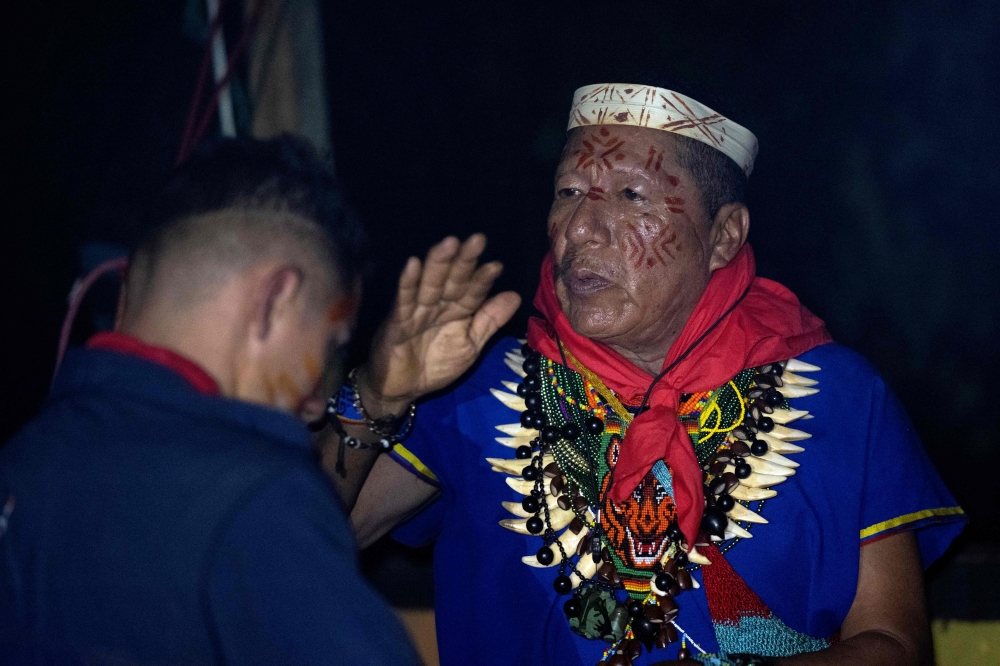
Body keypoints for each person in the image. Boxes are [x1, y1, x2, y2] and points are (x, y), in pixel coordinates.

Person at [341, 84, 966, 666]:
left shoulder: (840, 396)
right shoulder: (476, 387)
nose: (582, 228)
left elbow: (892, 642)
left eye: (630, 195)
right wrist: (376, 390)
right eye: (568, 193)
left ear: (723, 236)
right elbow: (296, 535)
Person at [0, 136, 519, 665]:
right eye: (331, 346)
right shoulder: (253, 497)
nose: (317, 403)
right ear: (276, 298)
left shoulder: (26, 461)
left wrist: (379, 396)